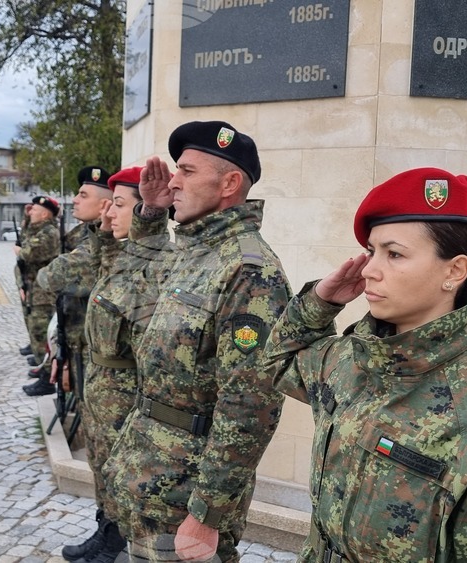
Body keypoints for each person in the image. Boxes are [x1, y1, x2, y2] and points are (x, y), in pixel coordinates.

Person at [265, 167, 467, 561]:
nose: (369, 269)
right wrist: (321, 302)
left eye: (394, 254)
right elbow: (278, 362)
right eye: (372, 251)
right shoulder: (352, 358)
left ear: (454, 271)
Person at [102, 121, 291, 563]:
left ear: (229, 184)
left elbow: (250, 405)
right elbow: (134, 291)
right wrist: (151, 215)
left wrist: (207, 512)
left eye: (186, 171)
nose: (173, 181)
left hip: (184, 493)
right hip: (147, 474)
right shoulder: (195, 251)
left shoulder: (249, 271)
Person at [63, 167, 154, 563]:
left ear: (144, 210)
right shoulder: (120, 255)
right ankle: (105, 531)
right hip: (100, 384)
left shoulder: (152, 262)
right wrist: (103, 231)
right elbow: (103, 260)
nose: (109, 213)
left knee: (118, 472)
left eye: (118, 205)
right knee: (101, 465)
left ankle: (116, 542)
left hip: (123, 390)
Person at [26, 166, 113, 396]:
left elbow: (52, 275)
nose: (75, 199)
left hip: (88, 341)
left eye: (83, 195)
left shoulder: (102, 241)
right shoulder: (82, 233)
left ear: (104, 205)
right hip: (74, 333)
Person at [15, 195, 61, 367]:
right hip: (32, 287)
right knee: (34, 327)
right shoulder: (38, 230)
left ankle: (46, 369)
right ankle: (40, 361)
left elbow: (29, 253)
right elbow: (26, 238)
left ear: (44, 215)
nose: (30, 212)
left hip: (43, 291)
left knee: (41, 330)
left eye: (34, 210)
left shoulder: (49, 233)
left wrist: (19, 251)